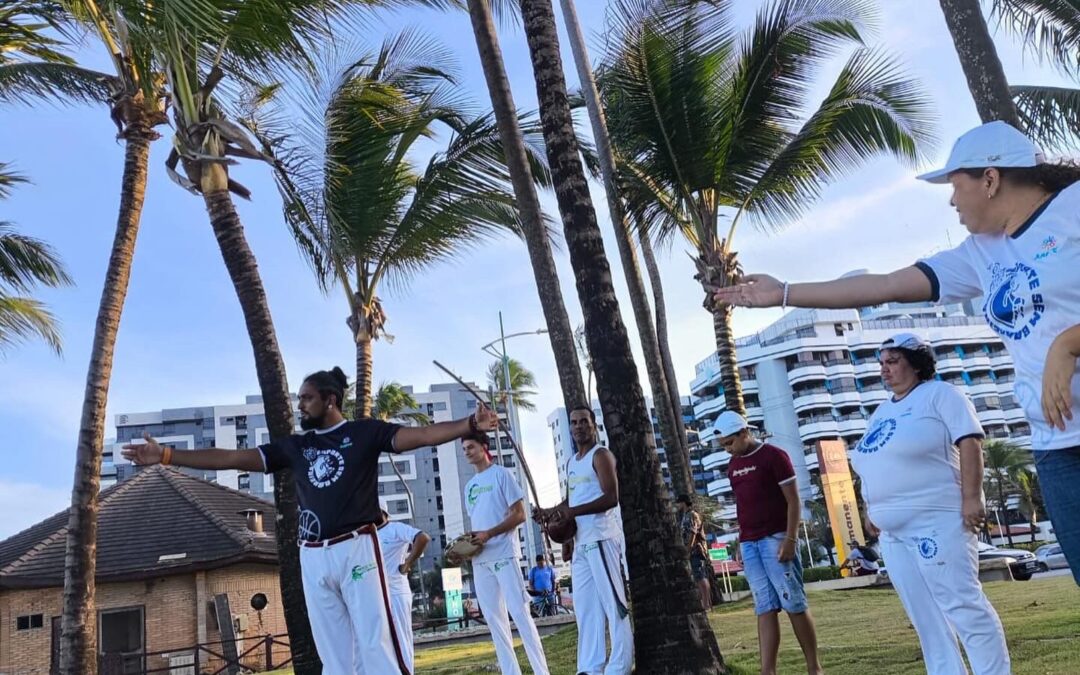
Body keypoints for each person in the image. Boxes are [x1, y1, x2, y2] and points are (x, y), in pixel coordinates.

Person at [714, 120, 1080, 585]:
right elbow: (884, 284)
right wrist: (785, 292)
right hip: (1056, 446)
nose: (951, 201)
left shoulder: (1072, 208)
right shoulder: (981, 253)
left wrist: (1067, 345)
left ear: (990, 179)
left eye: (955, 185)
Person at [121, 367, 498, 675]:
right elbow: (234, 458)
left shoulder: (363, 433)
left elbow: (421, 435)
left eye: (307, 398)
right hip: (313, 556)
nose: (300, 405)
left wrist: (468, 423)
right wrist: (168, 455)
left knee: (376, 646)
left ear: (329, 400)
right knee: (334, 660)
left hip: (359, 550)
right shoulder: (296, 447)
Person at [852, 333, 1011, 674]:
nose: (885, 369)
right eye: (881, 363)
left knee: (963, 606)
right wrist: (870, 508)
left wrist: (971, 498)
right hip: (893, 534)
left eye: (892, 361)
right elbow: (872, 460)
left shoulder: (941, 395)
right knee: (926, 618)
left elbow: (969, 442)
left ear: (918, 363)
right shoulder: (880, 412)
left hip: (938, 520)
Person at [714, 411, 823, 675]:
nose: (728, 450)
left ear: (744, 433)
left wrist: (790, 538)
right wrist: (742, 540)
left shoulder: (774, 456)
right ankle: (767, 671)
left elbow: (794, 500)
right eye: (723, 446)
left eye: (730, 443)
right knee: (764, 607)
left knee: (794, 604)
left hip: (776, 539)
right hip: (750, 543)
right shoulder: (733, 467)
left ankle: (814, 667)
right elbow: (744, 505)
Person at [535, 406, 633, 675]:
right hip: (580, 543)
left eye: (583, 422)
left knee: (614, 606)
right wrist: (549, 513)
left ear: (593, 425)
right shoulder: (571, 461)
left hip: (602, 538)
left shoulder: (600, 455)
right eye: (574, 422)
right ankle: (590, 667)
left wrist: (572, 512)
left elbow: (611, 497)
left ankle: (619, 667)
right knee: (586, 608)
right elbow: (571, 500)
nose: (578, 426)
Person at [453, 431, 550, 675]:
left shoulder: (502, 475)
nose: (467, 452)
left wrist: (490, 533)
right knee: (496, 623)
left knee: (521, 615)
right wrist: (465, 548)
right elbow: (478, 525)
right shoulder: (470, 487)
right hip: (480, 560)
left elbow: (519, 514)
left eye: (471, 447)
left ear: (484, 447)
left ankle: (542, 672)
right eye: (464, 448)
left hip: (505, 555)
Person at [377, 510, 431, 673]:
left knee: (401, 641)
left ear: (381, 512)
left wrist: (407, 563)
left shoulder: (395, 528)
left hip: (396, 593)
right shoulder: (367, 535)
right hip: (376, 596)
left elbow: (423, 538)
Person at [676, 493, 712, 610]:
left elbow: (693, 532)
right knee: (697, 577)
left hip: (696, 549)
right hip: (691, 550)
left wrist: (689, 548)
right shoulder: (684, 515)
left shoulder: (692, 515)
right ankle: (703, 602)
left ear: (683, 502)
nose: (678, 505)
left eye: (679, 502)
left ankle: (706, 603)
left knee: (701, 576)